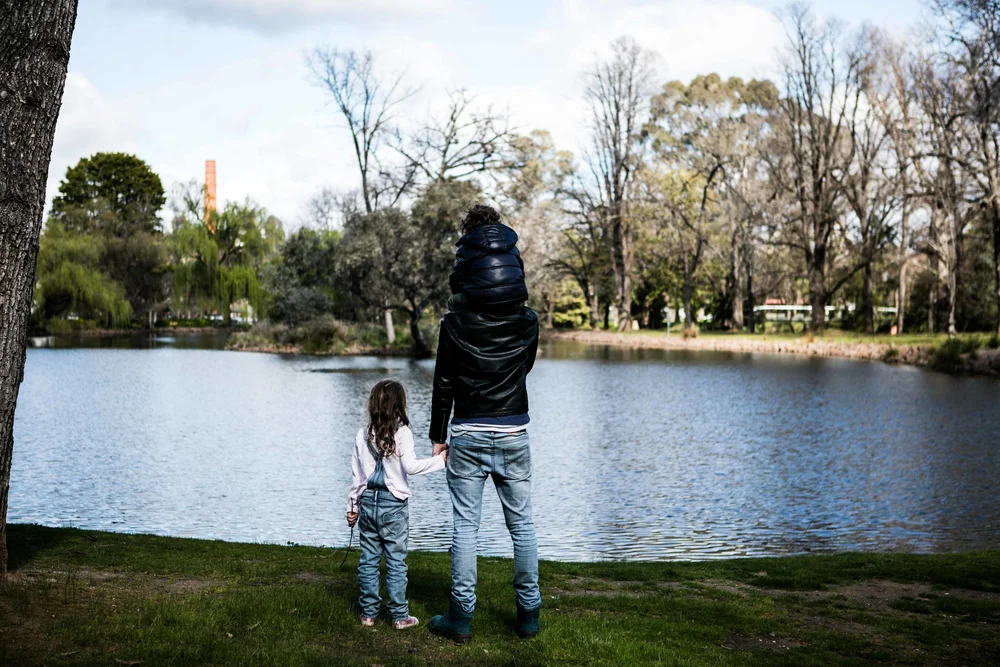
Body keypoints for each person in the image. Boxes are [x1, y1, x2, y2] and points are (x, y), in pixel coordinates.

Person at [428, 204, 541, 643]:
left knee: (464, 527)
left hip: (469, 430)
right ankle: (529, 615)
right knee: (523, 526)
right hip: (514, 430)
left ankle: (461, 618)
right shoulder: (527, 321)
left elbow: (443, 382)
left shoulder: (454, 322)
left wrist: (439, 435)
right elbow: (523, 368)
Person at [346, 379, 447, 630]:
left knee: (368, 560)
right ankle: (400, 616)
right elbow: (411, 468)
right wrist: (441, 460)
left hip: (368, 503)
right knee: (396, 561)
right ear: (399, 405)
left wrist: (352, 508)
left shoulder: (362, 435)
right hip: (394, 506)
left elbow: (357, 478)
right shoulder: (402, 433)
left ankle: (368, 614)